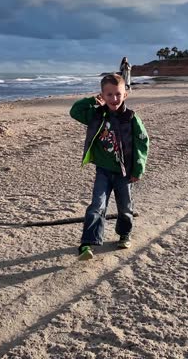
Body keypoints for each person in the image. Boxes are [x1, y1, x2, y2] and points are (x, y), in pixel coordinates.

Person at [69, 74, 149, 260]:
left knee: (125, 206)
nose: (114, 99)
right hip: (103, 171)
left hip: (124, 172)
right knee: (97, 205)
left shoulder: (131, 118)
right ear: (102, 96)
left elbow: (142, 143)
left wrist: (138, 169)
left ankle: (124, 234)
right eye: (109, 94)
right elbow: (75, 111)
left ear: (125, 95)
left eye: (118, 94)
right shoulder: (96, 115)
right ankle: (87, 243)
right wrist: (91, 100)